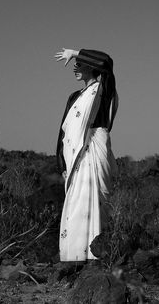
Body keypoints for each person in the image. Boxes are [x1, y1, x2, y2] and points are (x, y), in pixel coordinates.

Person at [55, 48, 118, 263]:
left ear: (92, 68)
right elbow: (64, 133)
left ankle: (97, 255)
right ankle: (74, 257)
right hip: (75, 160)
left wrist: (75, 52)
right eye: (76, 63)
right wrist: (61, 163)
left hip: (94, 154)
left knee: (97, 201)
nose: (75, 67)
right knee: (75, 204)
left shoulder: (103, 89)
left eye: (80, 64)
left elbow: (107, 61)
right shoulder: (74, 97)